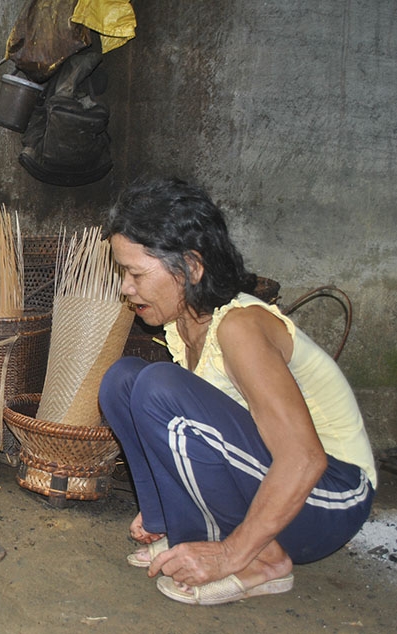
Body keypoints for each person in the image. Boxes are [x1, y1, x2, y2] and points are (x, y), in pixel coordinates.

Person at [98, 177, 376, 605]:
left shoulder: (240, 326)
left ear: (191, 267)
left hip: (332, 497)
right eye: (123, 272)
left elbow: (304, 458)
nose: (125, 287)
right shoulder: (181, 322)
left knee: (158, 387)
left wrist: (230, 555)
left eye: (135, 272)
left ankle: (261, 561)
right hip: (285, 484)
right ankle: (172, 525)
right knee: (124, 380)